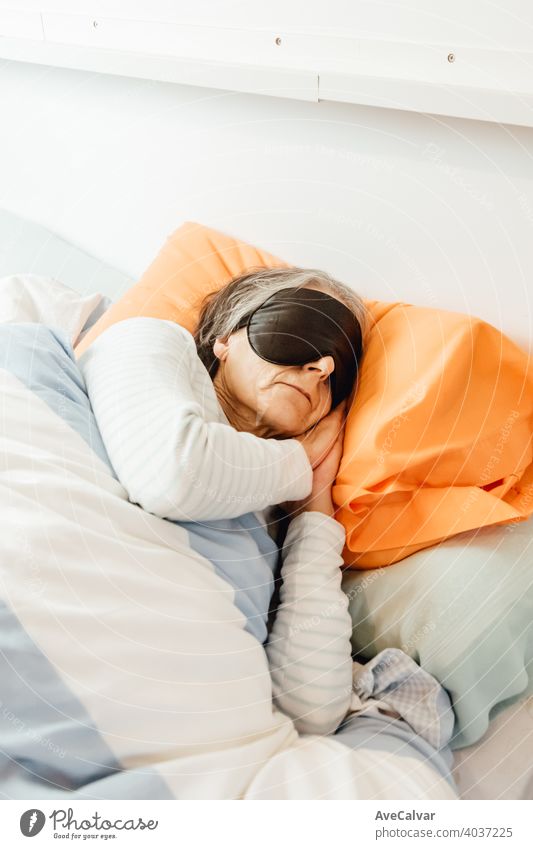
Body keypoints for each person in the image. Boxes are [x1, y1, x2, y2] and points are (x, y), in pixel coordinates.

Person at [78, 266, 456, 792]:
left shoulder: (274, 524)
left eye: (340, 373)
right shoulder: (147, 342)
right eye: (303, 328)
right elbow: (174, 475)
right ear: (226, 338)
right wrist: (303, 460)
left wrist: (315, 513)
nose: (322, 364)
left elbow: (311, 709)